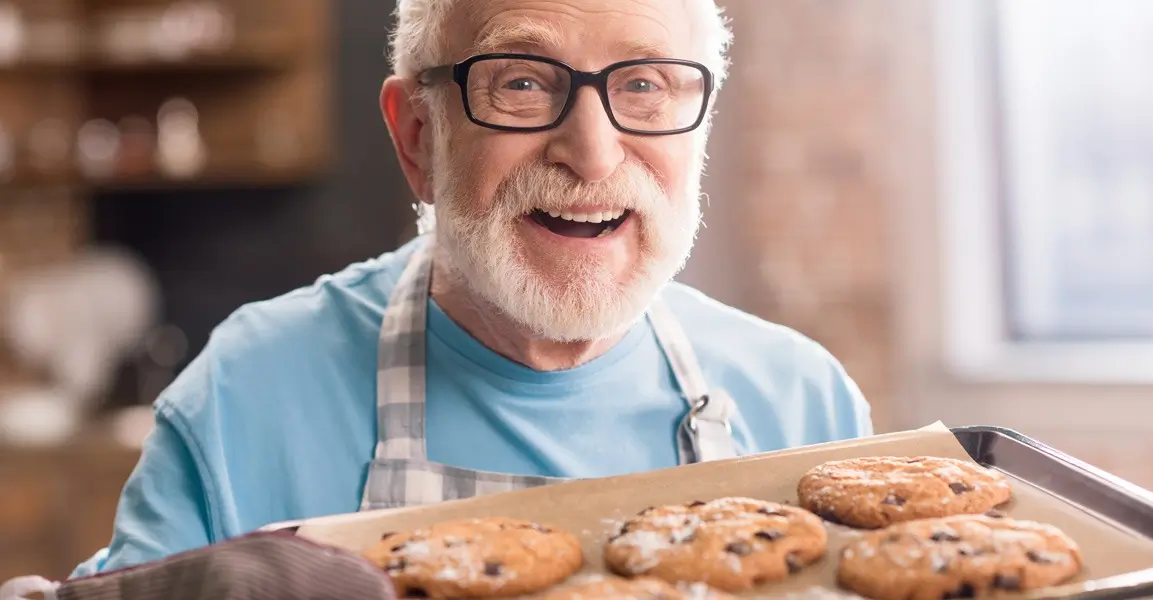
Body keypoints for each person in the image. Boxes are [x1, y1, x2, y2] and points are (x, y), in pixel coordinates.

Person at [3, 0, 873, 597]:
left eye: (645, 85)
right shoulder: (248, 391)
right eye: (524, 82)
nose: (595, 154)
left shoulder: (803, 400)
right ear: (418, 135)